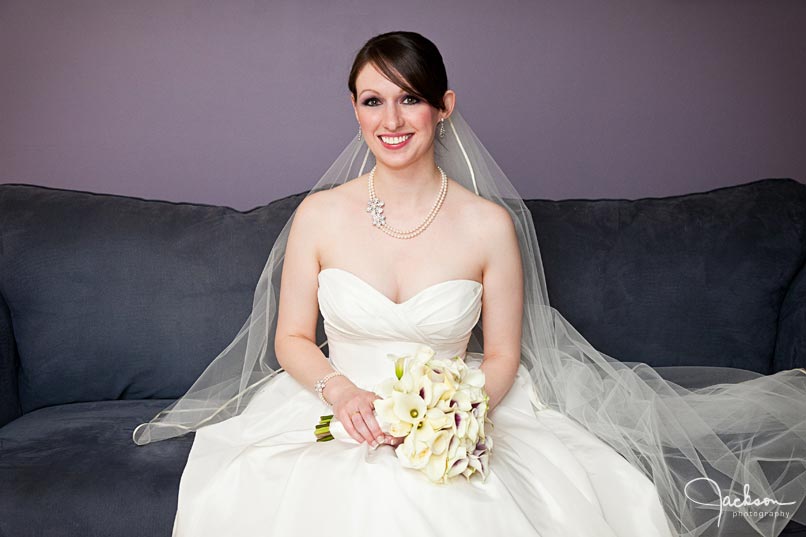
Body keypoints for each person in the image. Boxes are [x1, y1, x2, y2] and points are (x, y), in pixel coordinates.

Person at [133, 32, 806, 537]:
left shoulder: (488, 226)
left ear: (443, 107)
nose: (391, 120)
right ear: (355, 108)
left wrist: (449, 416)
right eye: (374, 100)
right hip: (332, 401)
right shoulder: (319, 214)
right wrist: (341, 390)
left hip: (461, 403)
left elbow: (506, 355)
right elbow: (290, 338)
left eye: (411, 99)